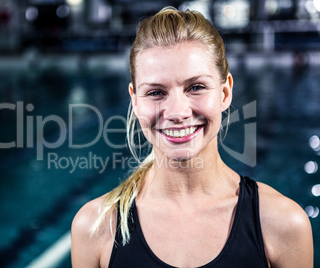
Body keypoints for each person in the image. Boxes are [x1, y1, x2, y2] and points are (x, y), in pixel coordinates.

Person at [71, 7, 313, 268]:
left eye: (196, 87)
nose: (177, 112)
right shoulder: (94, 227)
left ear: (225, 92)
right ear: (135, 101)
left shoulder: (283, 225)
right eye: (155, 92)